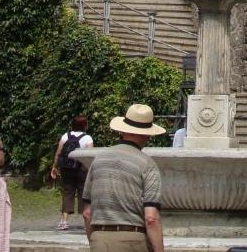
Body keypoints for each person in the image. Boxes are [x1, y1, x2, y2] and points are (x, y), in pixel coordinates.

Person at [82, 103, 167, 252]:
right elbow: (151, 218)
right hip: (133, 240)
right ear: (147, 134)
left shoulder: (98, 159)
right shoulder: (147, 164)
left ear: (123, 130)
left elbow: (87, 213)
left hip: (99, 239)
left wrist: (95, 241)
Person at [50, 114, 94, 232]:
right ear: (84, 125)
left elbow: (58, 153)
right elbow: (89, 156)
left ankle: (64, 221)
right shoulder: (87, 138)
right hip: (82, 169)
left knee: (67, 193)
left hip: (66, 168)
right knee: (83, 194)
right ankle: (86, 223)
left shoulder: (65, 136)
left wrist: (54, 167)